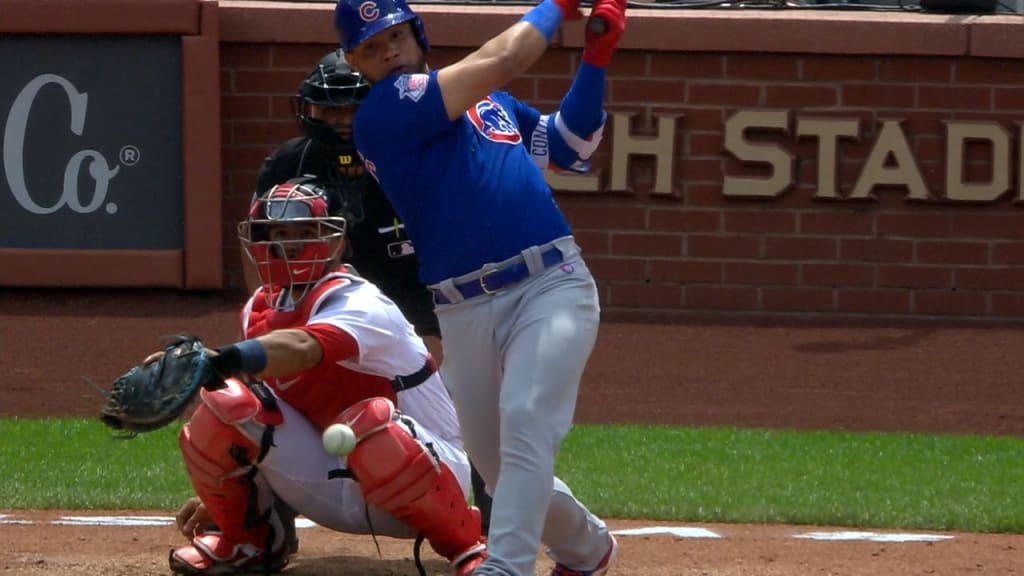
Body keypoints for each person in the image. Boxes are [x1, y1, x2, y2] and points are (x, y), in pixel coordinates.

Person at [333, 0, 628, 574]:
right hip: (462, 310)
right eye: (371, 45)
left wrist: (595, 59)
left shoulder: (487, 104)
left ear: (417, 34)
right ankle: (587, 548)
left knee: (525, 419)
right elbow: (507, 55)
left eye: (396, 35)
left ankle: (507, 566)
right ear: (356, 61)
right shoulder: (384, 111)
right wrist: (560, 7)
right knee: (495, 466)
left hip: (550, 282)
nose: (389, 50)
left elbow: (569, 148)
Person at [163, 177, 488, 575]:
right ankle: (249, 542)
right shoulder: (259, 310)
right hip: (335, 483)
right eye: (278, 232)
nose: (288, 244)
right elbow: (263, 417)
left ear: (335, 242)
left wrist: (221, 358)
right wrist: (229, 503)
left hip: (429, 476)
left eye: (304, 232)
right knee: (224, 402)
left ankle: (467, 548)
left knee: (373, 425)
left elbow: (302, 348)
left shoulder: (360, 301)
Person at [248, 48, 494, 534]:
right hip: (328, 304)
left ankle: (485, 507)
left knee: (472, 385)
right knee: (278, 384)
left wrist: (445, 337)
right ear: (309, 111)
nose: (342, 122)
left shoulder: (418, 160)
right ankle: (267, 514)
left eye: (353, 108)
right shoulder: (285, 168)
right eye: (329, 109)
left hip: (425, 292)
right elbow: (262, 266)